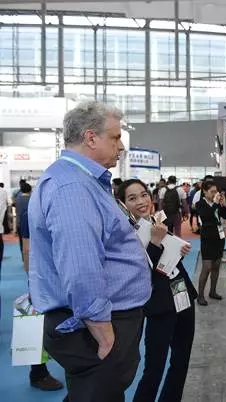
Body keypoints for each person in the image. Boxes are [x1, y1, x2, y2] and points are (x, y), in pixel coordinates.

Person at [28, 101, 152, 402]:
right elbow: (80, 265)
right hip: (95, 325)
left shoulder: (80, 181)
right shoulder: (72, 188)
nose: (121, 146)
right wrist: (101, 328)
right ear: (91, 138)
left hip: (98, 319)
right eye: (115, 137)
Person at [117, 179, 197, 402]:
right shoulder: (124, 234)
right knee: (154, 367)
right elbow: (137, 275)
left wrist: (178, 250)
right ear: (123, 204)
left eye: (143, 195)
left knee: (181, 360)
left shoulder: (156, 221)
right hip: (159, 306)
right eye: (132, 198)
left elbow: (166, 262)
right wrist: (154, 242)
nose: (141, 201)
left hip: (182, 294)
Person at [17, 184, 65, 393]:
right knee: (39, 324)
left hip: (45, 277)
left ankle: (39, 371)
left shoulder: (30, 212)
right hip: (50, 277)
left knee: (41, 323)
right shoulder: (54, 212)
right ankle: (38, 372)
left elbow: (26, 249)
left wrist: (32, 278)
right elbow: (27, 250)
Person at [195, 181, 226, 306]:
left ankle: (213, 291)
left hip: (219, 236)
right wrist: (215, 203)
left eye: (216, 191)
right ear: (204, 191)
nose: (214, 194)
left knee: (216, 265)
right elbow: (206, 217)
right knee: (207, 267)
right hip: (207, 237)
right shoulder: (200, 204)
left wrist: (224, 205)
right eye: (212, 191)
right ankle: (200, 296)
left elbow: (225, 215)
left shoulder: (217, 202)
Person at [15, 180, 32, 259]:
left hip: (19, 223)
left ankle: (24, 258)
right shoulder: (32, 199)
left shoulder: (17, 199)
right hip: (30, 223)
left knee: (22, 242)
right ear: (30, 190)